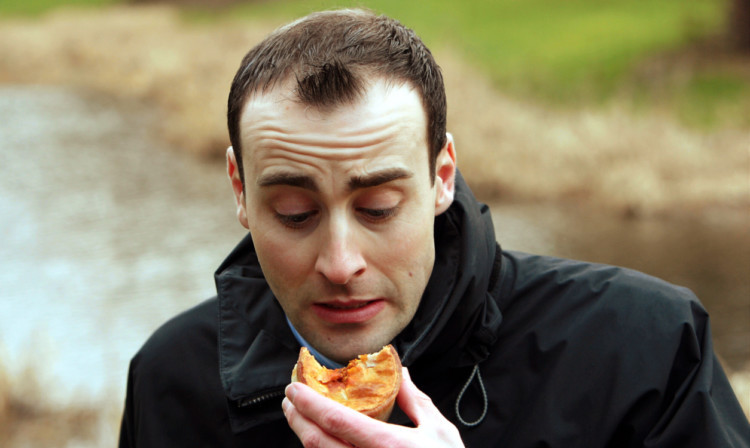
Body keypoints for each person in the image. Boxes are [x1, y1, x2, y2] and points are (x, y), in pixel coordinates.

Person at [118, 8, 750, 448]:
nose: (341, 264)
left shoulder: (646, 347)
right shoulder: (172, 380)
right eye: (295, 215)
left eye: (379, 208)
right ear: (239, 190)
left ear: (441, 175)